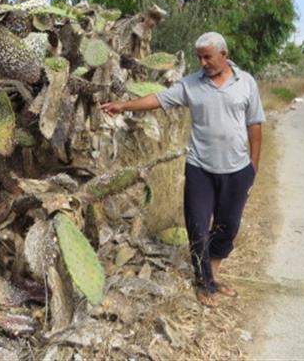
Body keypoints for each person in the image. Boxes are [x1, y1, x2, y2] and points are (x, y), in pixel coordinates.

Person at [100, 32, 265, 307]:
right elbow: (159, 99)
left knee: (228, 226)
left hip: (237, 169)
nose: (202, 62)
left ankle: (213, 273)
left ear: (224, 55)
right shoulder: (191, 85)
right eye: (199, 57)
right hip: (200, 167)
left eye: (207, 57)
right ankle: (203, 283)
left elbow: (255, 127)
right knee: (198, 226)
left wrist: (253, 168)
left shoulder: (246, 83)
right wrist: (124, 106)